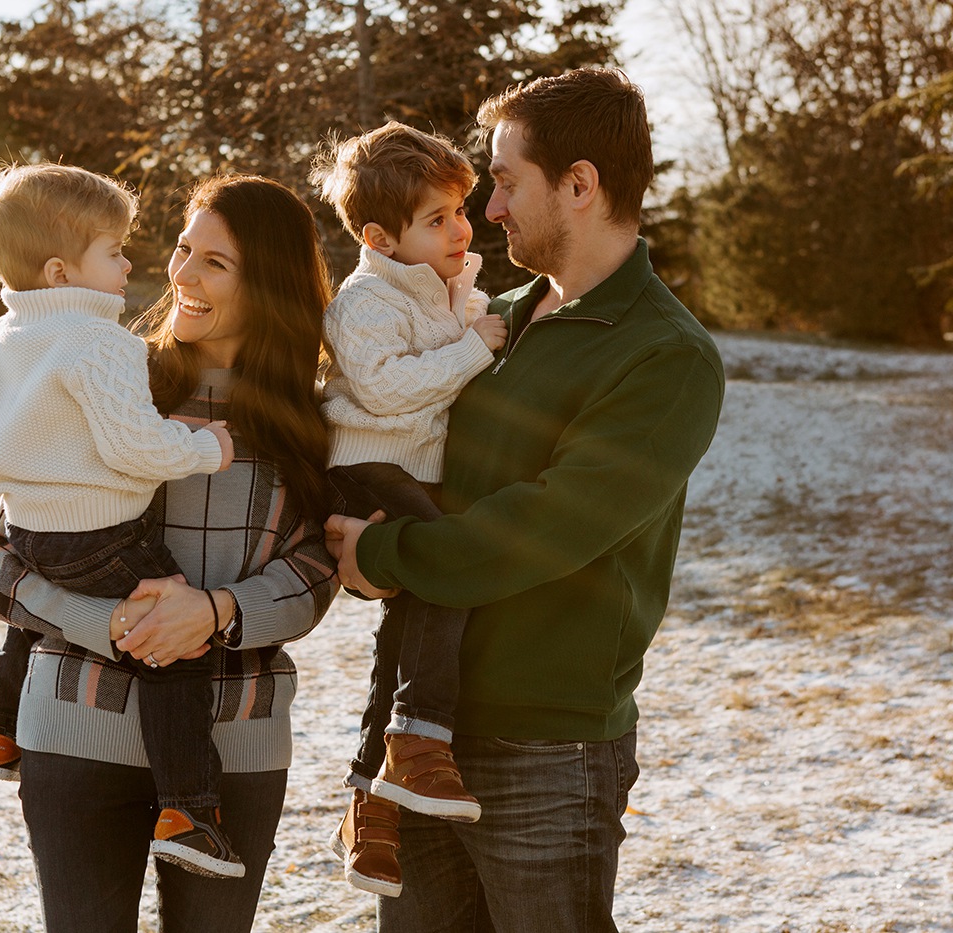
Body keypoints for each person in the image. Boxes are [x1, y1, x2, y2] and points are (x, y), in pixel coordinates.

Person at [326, 69, 726, 932]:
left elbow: (543, 529)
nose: (491, 209)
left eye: (506, 181)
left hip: (547, 747)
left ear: (579, 185)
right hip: (420, 735)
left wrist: (382, 556)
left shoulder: (665, 356)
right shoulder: (490, 319)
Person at [0, 174, 339, 932]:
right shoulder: (108, 372)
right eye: (181, 248)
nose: (181, 275)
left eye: (216, 262)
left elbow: (317, 569)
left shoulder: (314, 416)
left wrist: (215, 611)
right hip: (77, 723)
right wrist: (103, 619)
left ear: (268, 284)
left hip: (234, 742)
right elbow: (3, 556)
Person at [0, 161, 241, 875]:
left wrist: (29, 442)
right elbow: (137, 446)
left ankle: (2, 729)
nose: (128, 262)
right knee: (173, 640)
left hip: (25, 529)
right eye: (112, 250)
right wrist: (207, 446)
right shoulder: (101, 341)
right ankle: (189, 808)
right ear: (59, 270)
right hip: (104, 532)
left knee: (29, 617)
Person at [308, 122, 508, 898]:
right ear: (379, 237)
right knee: (444, 564)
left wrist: (470, 320)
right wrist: (473, 346)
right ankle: (419, 739)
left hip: (414, 472)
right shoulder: (363, 303)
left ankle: (370, 794)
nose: (462, 228)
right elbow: (388, 389)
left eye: (462, 210)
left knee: (408, 624)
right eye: (437, 220)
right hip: (366, 466)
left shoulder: (451, 287)